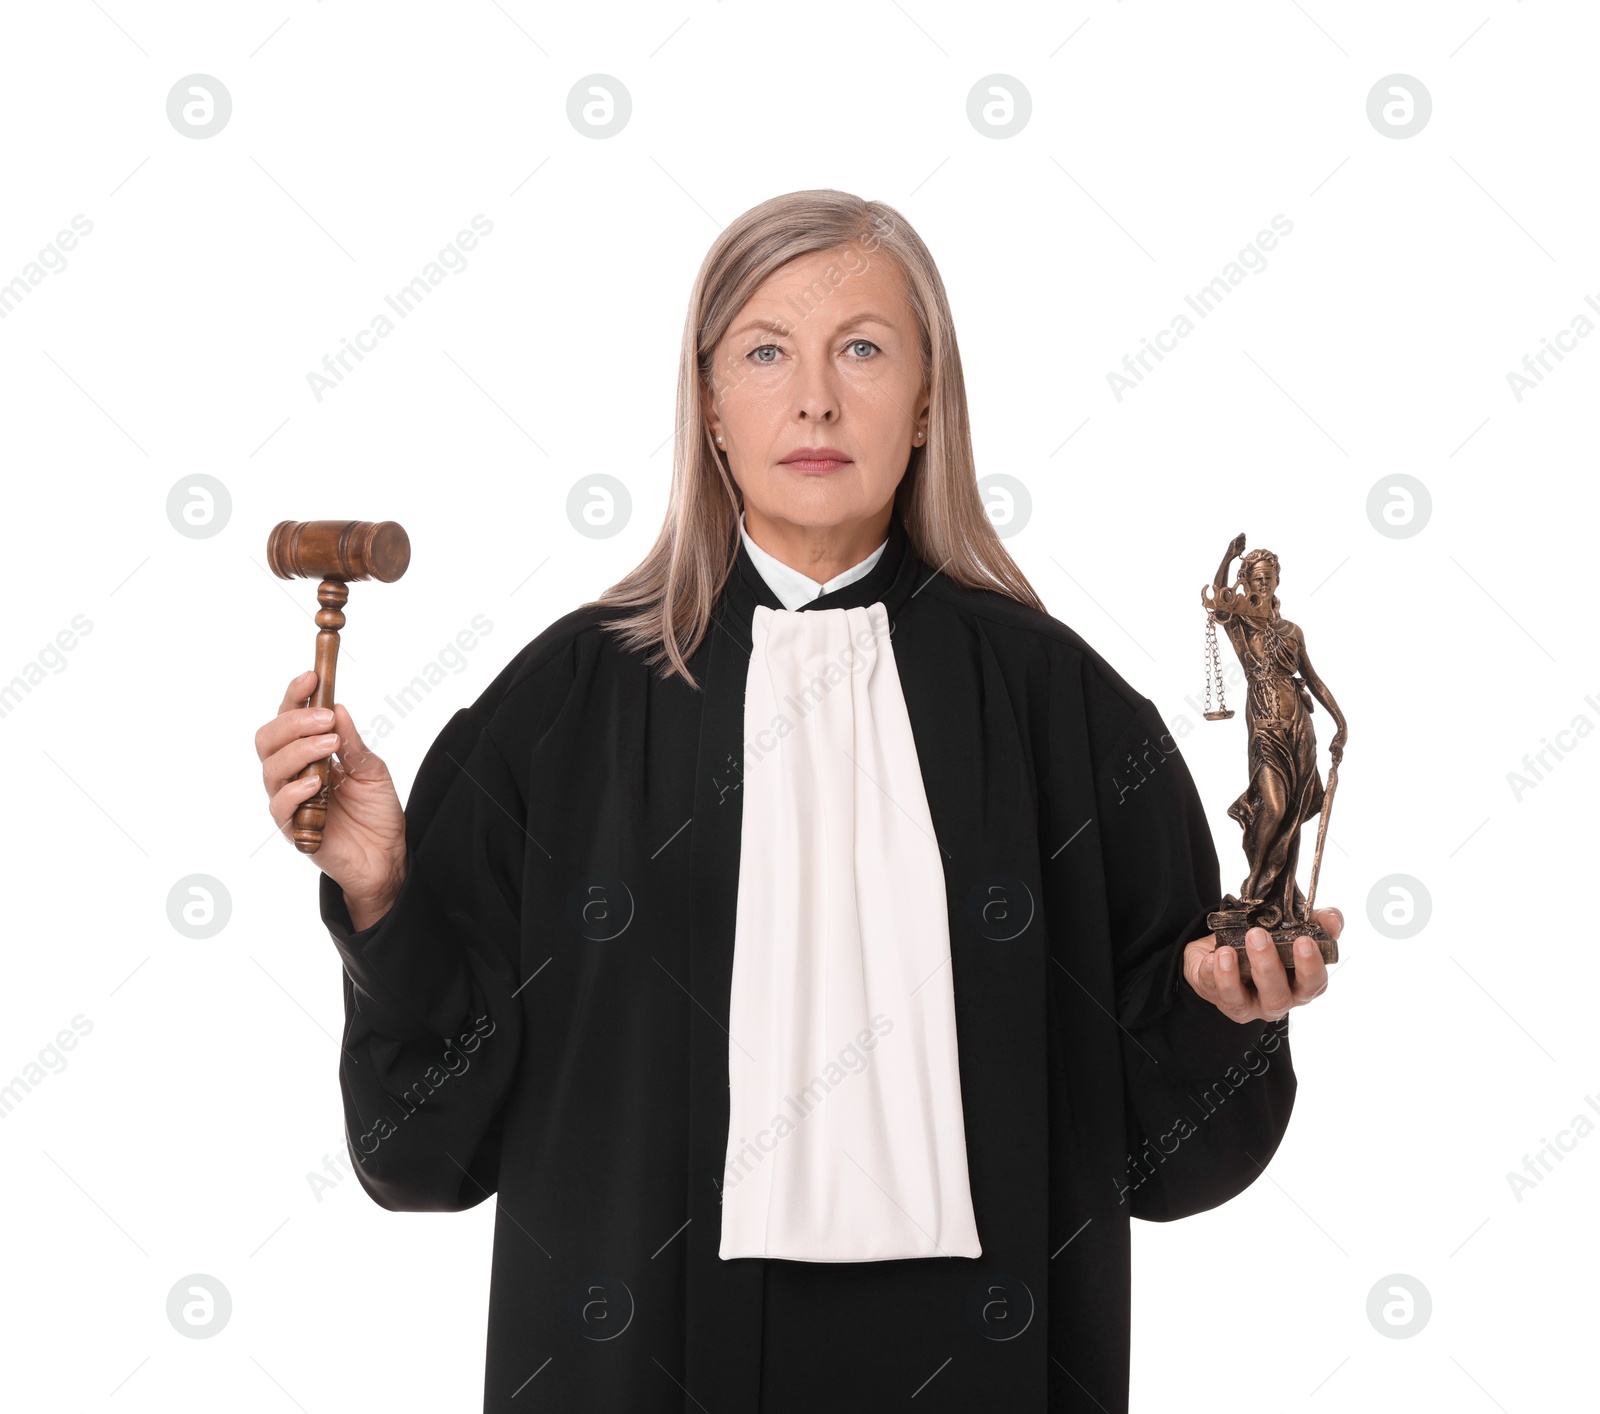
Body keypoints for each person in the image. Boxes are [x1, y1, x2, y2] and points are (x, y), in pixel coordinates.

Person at [254, 189, 1339, 1414]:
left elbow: (1161, 1146)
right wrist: (385, 894)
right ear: (709, 404)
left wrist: (1225, 1013)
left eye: (862, 349)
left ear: (927, 400)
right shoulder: (561, 705)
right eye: (765, 352)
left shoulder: (1062, 711)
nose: (814, 398)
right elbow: (428, 1149)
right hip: (641, 1356)